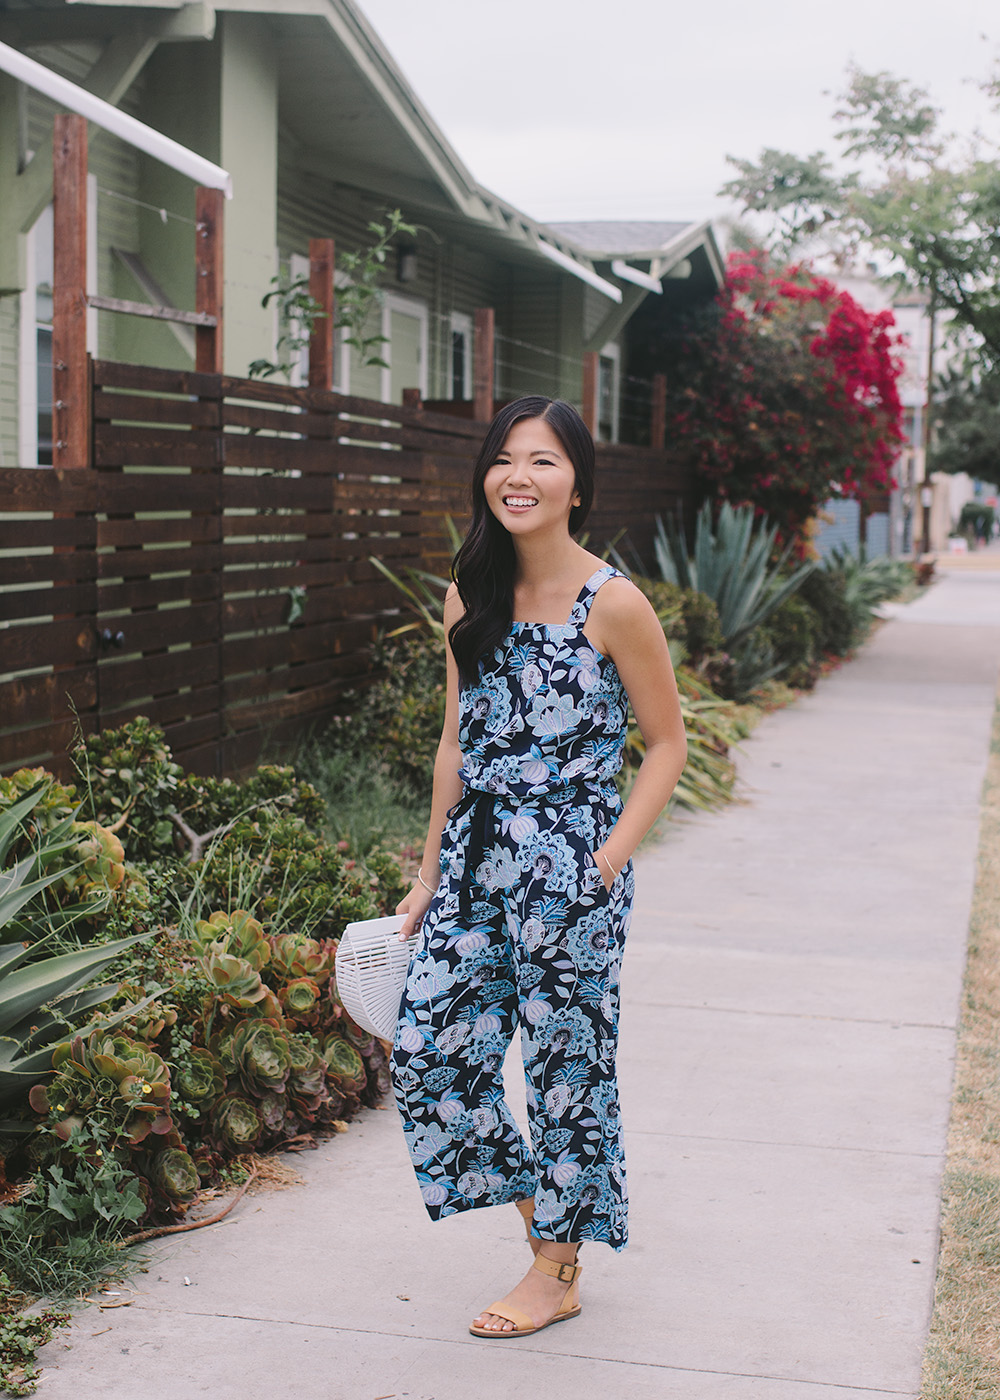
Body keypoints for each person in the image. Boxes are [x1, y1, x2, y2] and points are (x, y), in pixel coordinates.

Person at [390, 395, 687, 1339]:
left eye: (544, 460)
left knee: (566, 1069)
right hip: (475, 862)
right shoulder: (466, 593)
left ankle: (555, 1267)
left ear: (576, 484)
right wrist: (430, 874)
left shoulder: (615, 601)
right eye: (505, 458)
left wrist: (603, 860)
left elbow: (669, 744)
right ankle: (548, 1228)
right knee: (431, 1057)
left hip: (568, 869)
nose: (520, 475)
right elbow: (453, 743)